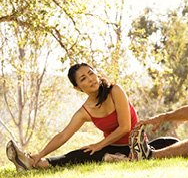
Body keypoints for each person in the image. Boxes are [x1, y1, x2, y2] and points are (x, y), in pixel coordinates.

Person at [6, 63, 178, 171]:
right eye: (83, 78)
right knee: (80, 154)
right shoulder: (85, 111)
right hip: (112, 148)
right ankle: (33, 162)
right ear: (78, 87)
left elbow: (125, 127)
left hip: (138, 146)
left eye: (91, 73)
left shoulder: (115, 91)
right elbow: (63, 135)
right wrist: (40, 153)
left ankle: (124, 158)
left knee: (171, 143)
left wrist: (99, 144)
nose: (90, 79)